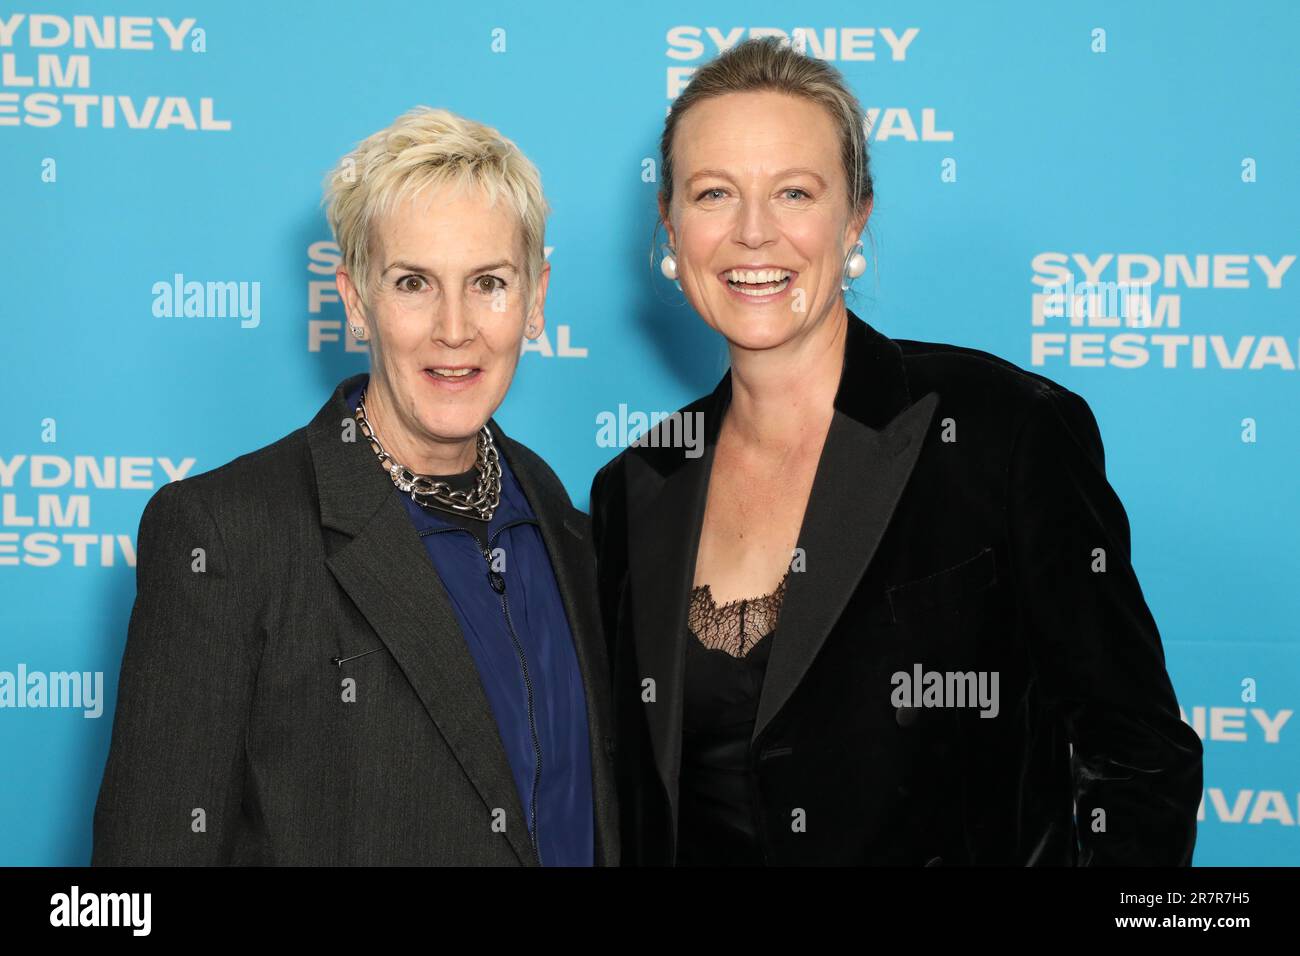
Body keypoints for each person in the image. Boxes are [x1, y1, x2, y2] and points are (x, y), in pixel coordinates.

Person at [589, 37, 1202, 866]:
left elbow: (1137, 758)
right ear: (670, 224)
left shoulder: (1003, 430)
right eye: (713, 194)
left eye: (795, 193)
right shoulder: (636, 486)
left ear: (856, 218)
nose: (753, 233)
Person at [92, 106, 617, 866]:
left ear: (535, 299)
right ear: (355, 298)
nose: (455, 328)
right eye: (413, 283)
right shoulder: (225, 535)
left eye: (489, 283)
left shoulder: (569, 526)